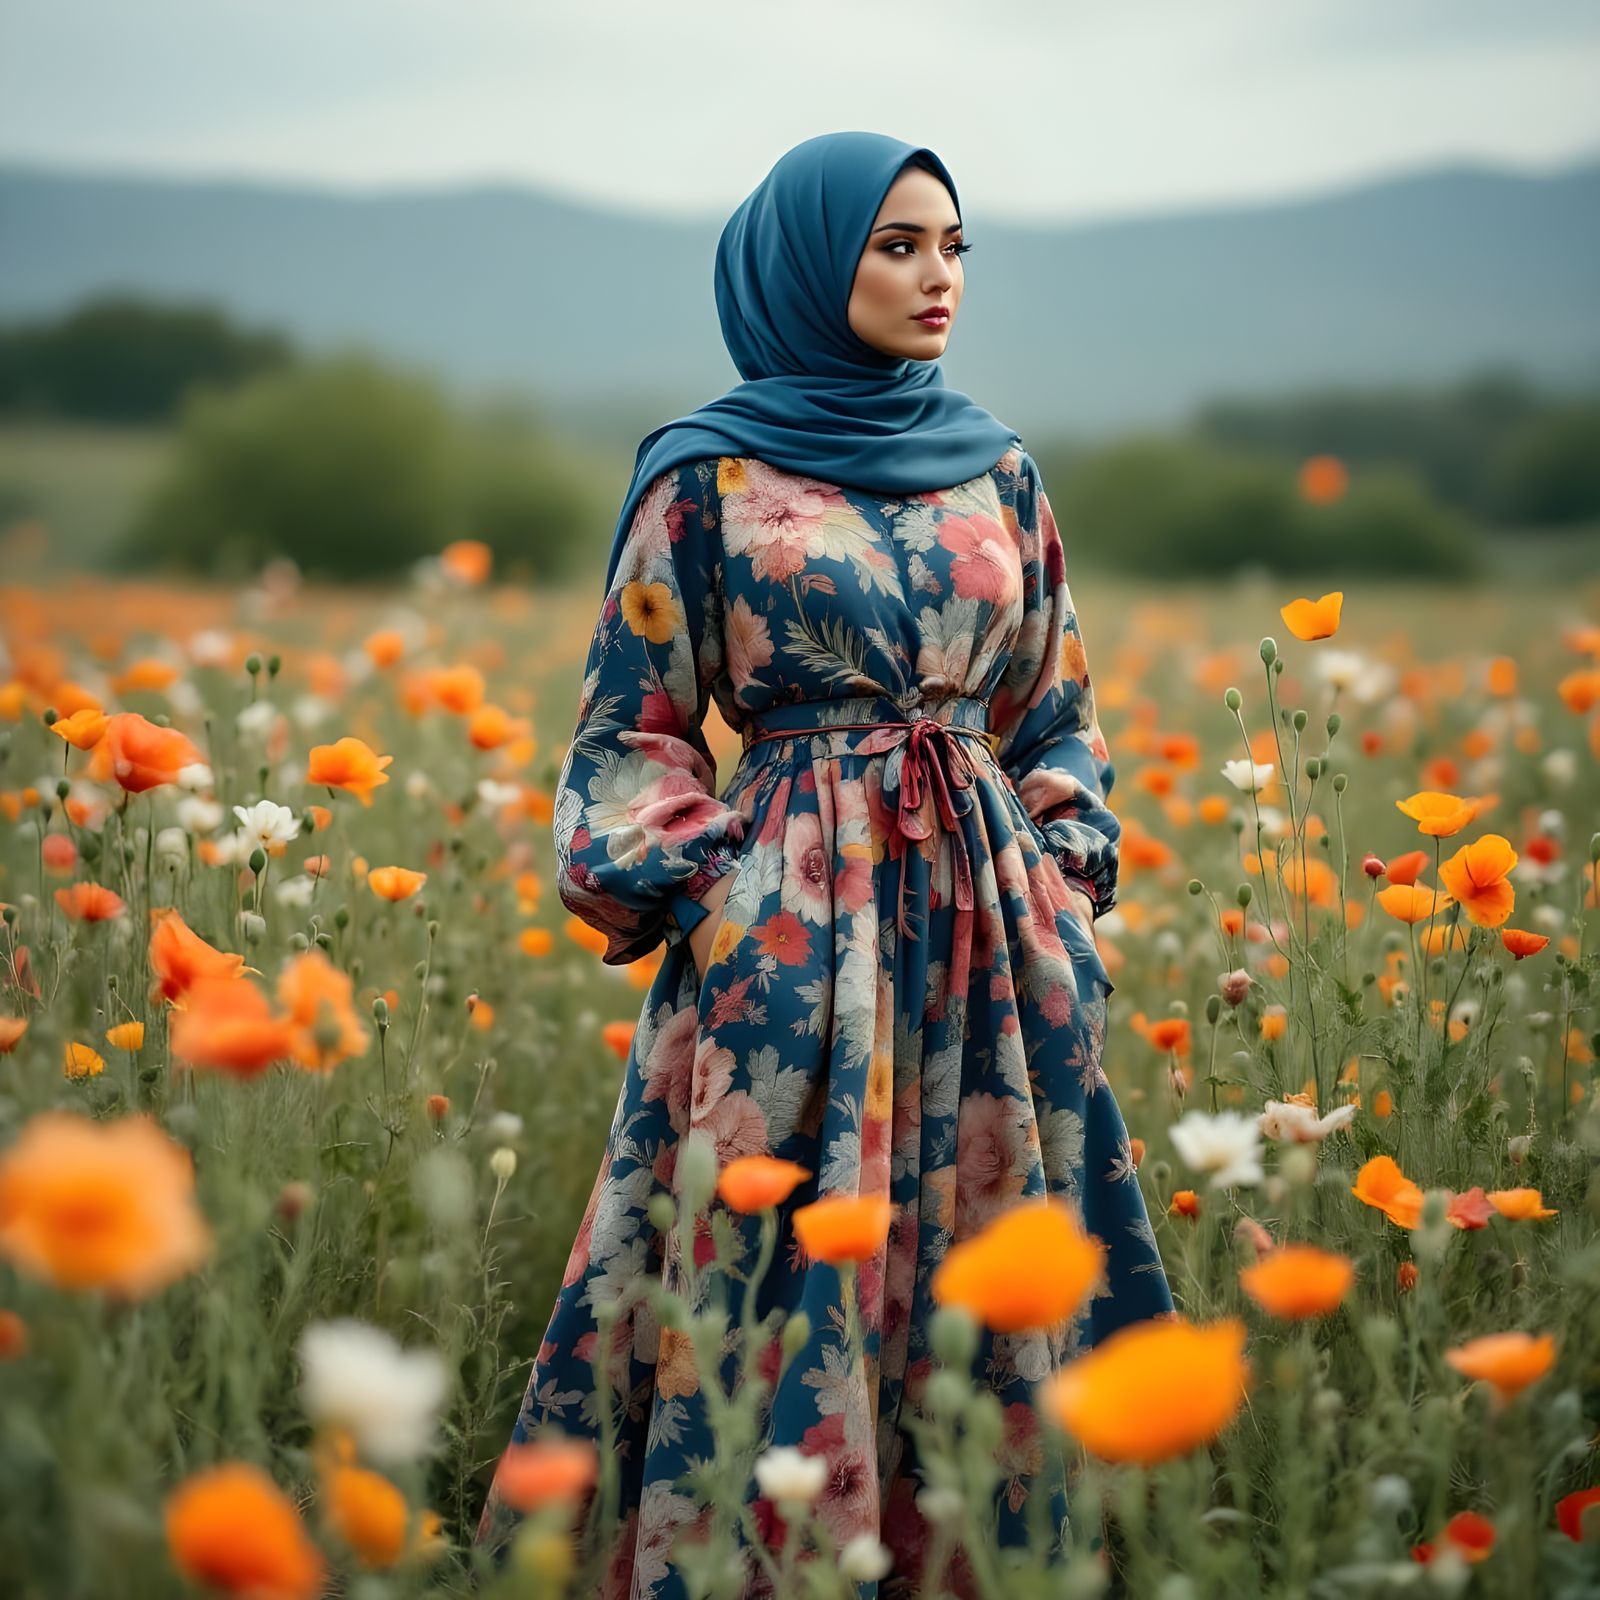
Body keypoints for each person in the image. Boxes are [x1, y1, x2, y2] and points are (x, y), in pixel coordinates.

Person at [475, 130, 1174, 1597]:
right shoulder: (705, 473)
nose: (938, 278)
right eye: (898, 245)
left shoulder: (1001, 466)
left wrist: (1059, 867)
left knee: (994, 1257)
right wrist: (719, 887)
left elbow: (1057, 702)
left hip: (991, 929)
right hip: (792, 939)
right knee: (777, 1261)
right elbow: (633, 726)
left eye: (955, 248)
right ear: (808, 262)